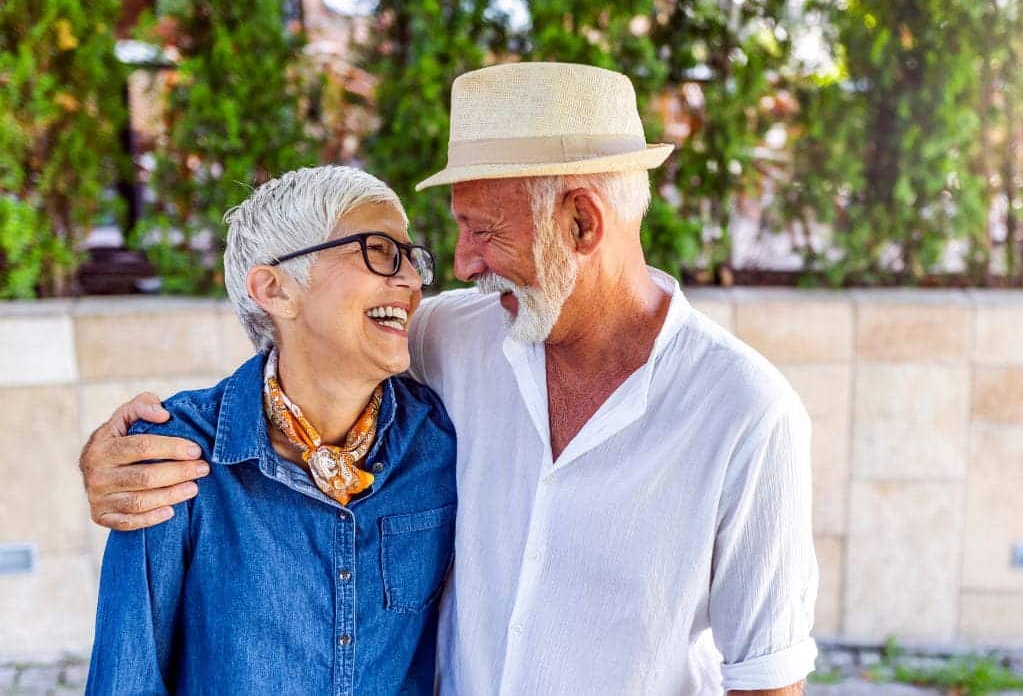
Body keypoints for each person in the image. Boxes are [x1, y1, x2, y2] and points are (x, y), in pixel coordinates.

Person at [80, 62, 818, 695]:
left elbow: (768, 673)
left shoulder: (747, 413)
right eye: (455, 232)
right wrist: (114, 458)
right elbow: (304, 368)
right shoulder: (451, 340)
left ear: (583, 225)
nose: (456, 269)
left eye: (485, 232)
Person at [85, 166, 457, 695]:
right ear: (276, 289)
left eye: (412, 258)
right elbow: (127, 678)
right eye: (379, 251)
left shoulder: (441, 442)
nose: (411, 280)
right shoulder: (177, 454)